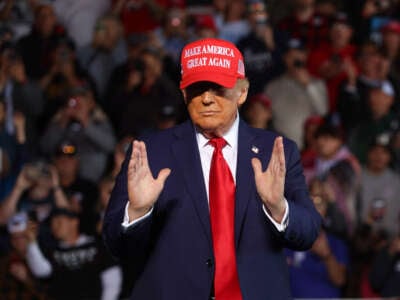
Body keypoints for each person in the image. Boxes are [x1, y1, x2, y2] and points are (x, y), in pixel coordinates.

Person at [103, 38, 321, 300]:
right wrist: (137, 212)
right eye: (197, 88)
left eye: (218, 88)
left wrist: (278, 207)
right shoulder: (149, 152)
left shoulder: (276, 151)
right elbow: (115, 243)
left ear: (242, 92)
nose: (206, 98)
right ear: (184, 94)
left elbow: (308, 233)